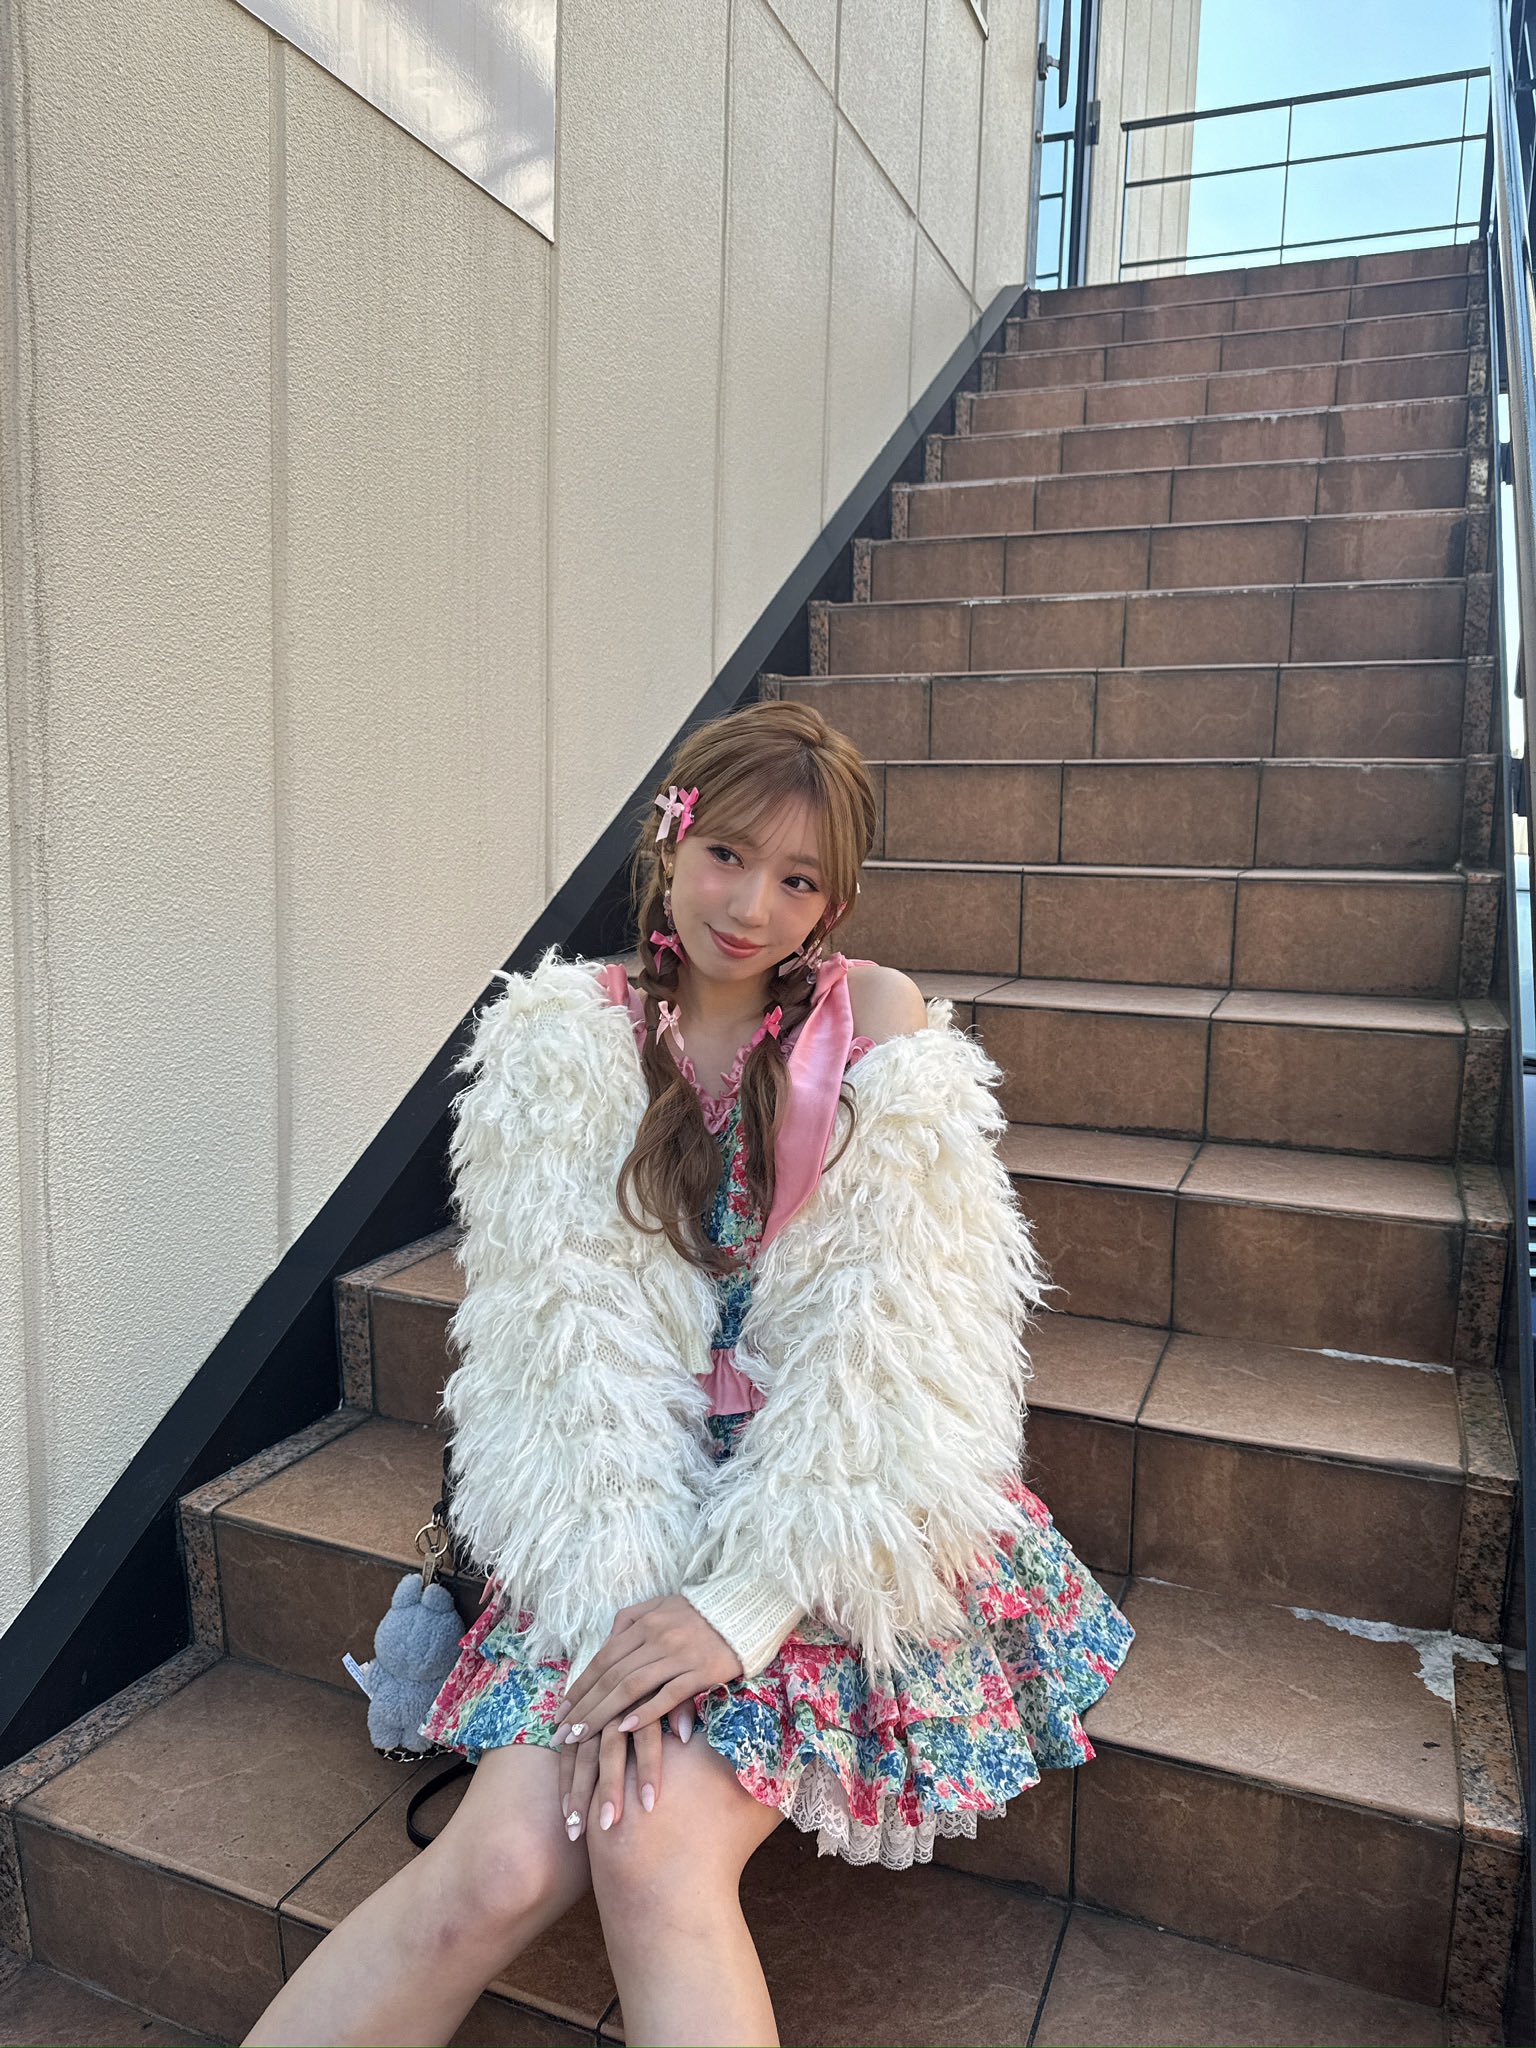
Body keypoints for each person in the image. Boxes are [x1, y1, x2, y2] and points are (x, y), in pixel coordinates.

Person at [243, 699, 1134, 2048]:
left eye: (800, 881)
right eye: (728, 855)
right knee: (502, 1865)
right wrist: (624, 1619)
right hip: (612, 1510)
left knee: (649, 1846)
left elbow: (909, 1348)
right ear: (670, 843)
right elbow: (560, 1363)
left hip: (828, 1509)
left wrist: (740, 1606)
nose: (753, 907)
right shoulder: (565, 1042)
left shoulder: (873, 1021)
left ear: (837, 901)